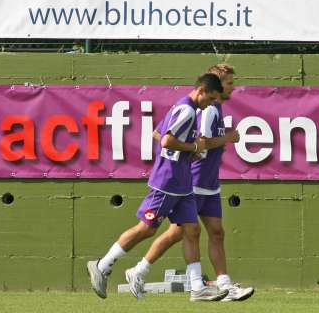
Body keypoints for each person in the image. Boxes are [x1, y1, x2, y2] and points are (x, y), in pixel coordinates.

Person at [87, 73, 229, 302]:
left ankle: (197, 288)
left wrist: (186, 152)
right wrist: (192, 146)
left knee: (191, 231)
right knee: (147, 228)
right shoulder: (188, 110)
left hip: (183, 184)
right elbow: (166, 140)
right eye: (210, 98)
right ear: (201, 90)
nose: (210, 103)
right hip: (168, 182)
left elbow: (158, 133)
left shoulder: (188, 108)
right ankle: (102, 265)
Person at [126, 64, 254, 301]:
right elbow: (203, 143)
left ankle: (225, 285)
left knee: (216, 233)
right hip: (194, 181)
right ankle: (139, 270)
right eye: (228, 84)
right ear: (212, 86)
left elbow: (161, 134)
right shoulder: (208, 109)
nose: (232, 88)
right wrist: (228, 138)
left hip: (210, 182)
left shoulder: (214, 108)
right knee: (178, 233)